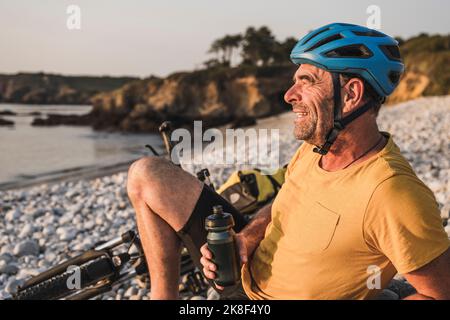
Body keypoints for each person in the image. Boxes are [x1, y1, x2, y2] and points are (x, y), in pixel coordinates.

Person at [126, 23, 450, 300]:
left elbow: (439, 293)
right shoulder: (316, 148)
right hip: (241, 270)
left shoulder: (391, 193)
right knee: (147, 173)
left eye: (307, 81)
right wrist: (246, 239)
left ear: (351, 95)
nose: (289, 95)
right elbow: (286, 201)